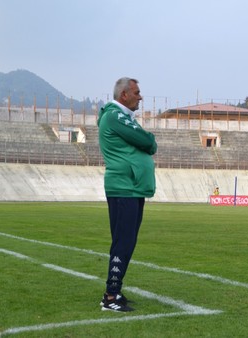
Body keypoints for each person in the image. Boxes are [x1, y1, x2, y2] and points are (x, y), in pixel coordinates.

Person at [97, 77, 158, 312]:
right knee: (123, 241)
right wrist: (149, 141)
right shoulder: (115, 116)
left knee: (127, 241)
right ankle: (110, 297)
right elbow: (147, 142)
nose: (140, 96)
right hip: (124, 188)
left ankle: (114, 291)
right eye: (137, 92)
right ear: (124, 95)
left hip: (131, 187)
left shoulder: (122, 116)